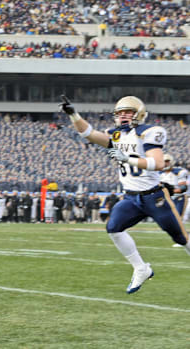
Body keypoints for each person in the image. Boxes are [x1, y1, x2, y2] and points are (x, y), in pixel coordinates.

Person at [60, 95, 189, 294]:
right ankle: (141, 268)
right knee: (114, 228)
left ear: (140, 114)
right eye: (120, 113)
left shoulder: (150, 132)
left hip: (154, 196)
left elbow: (158, 163)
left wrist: (128, 159)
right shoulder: (117, 135)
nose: (123, 116)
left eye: (128, 112)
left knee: (180, 238)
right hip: (131, 197)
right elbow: (89, 134)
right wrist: (73, 114)